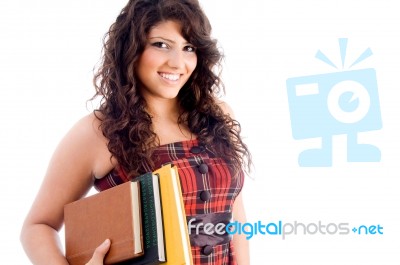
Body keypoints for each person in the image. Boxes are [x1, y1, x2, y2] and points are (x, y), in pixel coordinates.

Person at [20, 0, 252, 264]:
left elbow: (235, 212)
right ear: (131, 49)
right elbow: (37, 227)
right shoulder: (98, 131)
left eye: (188, 48)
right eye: (161, 44)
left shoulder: (218, 114)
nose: (178, 63)